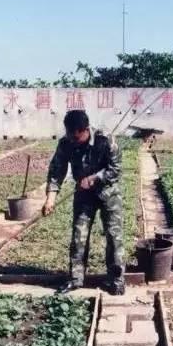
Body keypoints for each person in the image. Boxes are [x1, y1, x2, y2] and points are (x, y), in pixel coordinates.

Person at [43, 110, 125, 295]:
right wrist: (51, 197)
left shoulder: (105, 139)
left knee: (114, 237)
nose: (73, 140)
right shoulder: (66, 143)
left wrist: (95, 178)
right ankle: (76, 279)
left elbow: (116, 169)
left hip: (108, 194)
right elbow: (57, 170)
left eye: (76, 137)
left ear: (86, 130)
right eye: (70, 136)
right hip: (83, 195)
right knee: (78, 237)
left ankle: (117, 280)